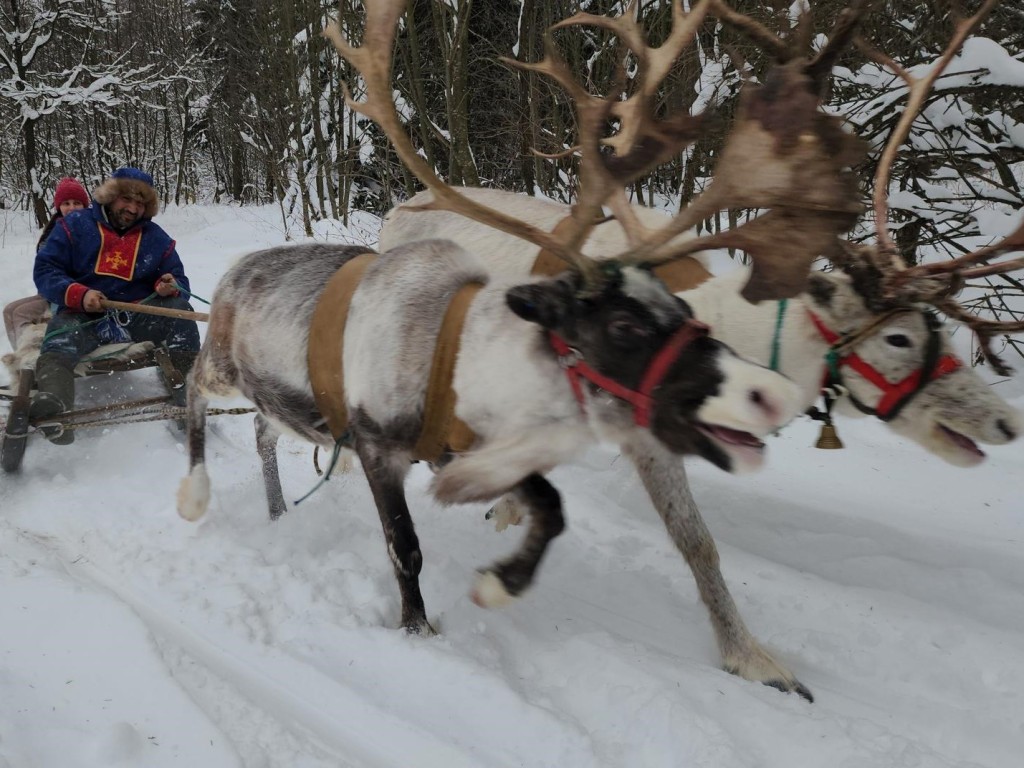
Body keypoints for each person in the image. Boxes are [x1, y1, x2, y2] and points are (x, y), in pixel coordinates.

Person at [31, 167, 200, 444]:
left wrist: (170, 284)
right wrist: (79, 294)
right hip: (84, 317)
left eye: (140, 203)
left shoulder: (156, 238)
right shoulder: (74, 227)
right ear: (110, 196)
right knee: (59, 336)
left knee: (180, 312)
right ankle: (55, 405)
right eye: (126, 199)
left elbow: (179, 280)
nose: (133, 208)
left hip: (137, 316)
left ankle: (190, 392)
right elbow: (46, 271)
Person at [3, 177, 91, 349]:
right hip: (51, 290)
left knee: (20, 314)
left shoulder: (87, 230)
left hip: (69, 293)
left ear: (84, 205)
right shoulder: (55, 227)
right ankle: (22, 358)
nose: (72, 208)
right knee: (9, 311)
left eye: (77, 202)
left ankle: (34, 356)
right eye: (66, 203)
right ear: (59, 206)